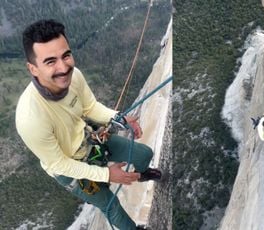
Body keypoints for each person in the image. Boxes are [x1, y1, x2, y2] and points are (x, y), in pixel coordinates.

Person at [16, 19, 161, 230]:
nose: (63, 67)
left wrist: (117, 118)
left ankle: (143, 173)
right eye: (50, 61)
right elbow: (59, 164)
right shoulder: (30, 117)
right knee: (112, 206)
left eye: (66, 55)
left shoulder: (74, 77)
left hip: (90, 141)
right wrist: (107, 174)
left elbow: (90, 107)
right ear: (33, 68)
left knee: (143, 154)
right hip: (68, 166)